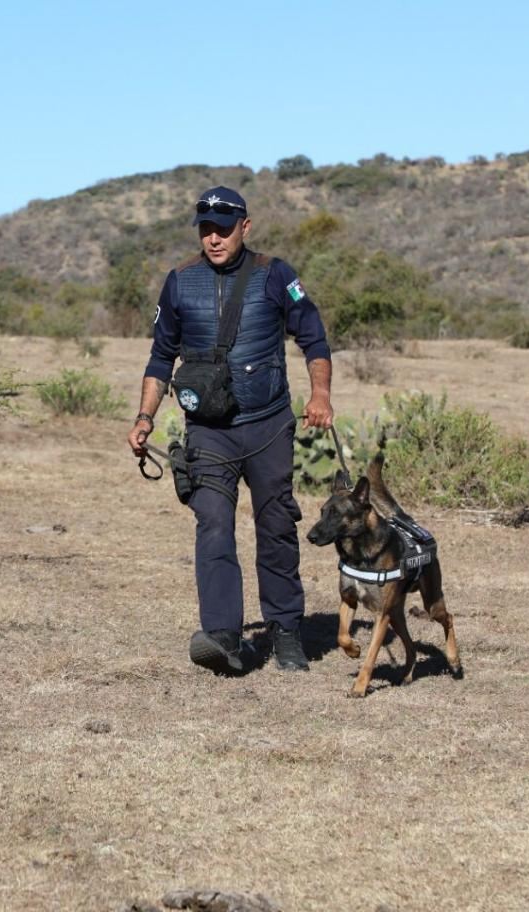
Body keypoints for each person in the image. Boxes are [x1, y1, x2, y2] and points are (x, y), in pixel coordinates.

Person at [126, 186, 333, 675]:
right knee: (213, 524)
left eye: (223, 228)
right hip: (208, 431)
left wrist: (320, 394)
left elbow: (314, 337)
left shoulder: (275, 274)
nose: (214, 237)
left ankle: (285, 632)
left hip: (268, 425)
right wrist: (144, 417)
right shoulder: (180, 281)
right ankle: (224, 636)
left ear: (245, 226)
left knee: (277, 525)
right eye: (205, 229)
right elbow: (161, 358)